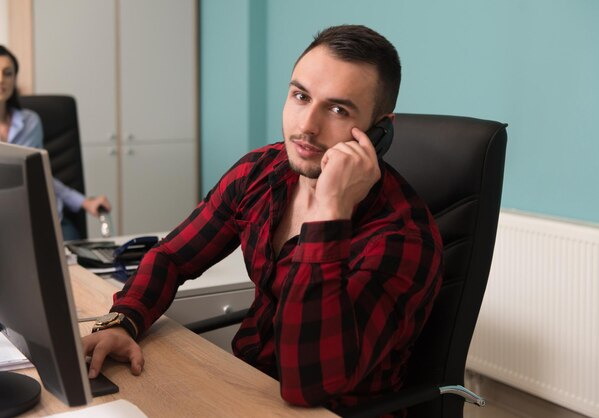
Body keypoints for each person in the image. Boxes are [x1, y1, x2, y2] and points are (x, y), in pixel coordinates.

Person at [82, 25, 444, 412]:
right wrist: (125, 320)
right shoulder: (262, 172)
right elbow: (173, 256)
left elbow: (308, 385)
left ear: (379, 130)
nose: (306, 125)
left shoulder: (402, 237)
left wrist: (330, 212)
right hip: (245, 387)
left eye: (338, 109)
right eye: (300, 96)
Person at [0, 45, 111, 240]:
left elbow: (39, 175)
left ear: (14, 78)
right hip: (6, 220)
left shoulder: (30, 121)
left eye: (7, 73)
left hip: (38, 215)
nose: (1, 79)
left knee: (72, 257)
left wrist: (84, 202)